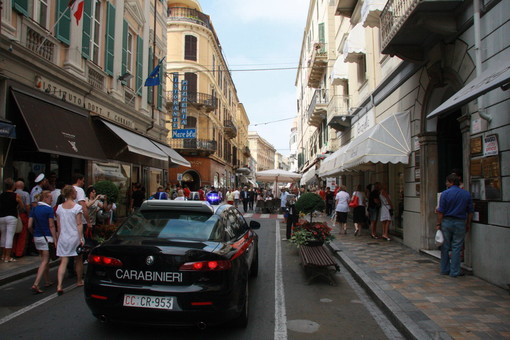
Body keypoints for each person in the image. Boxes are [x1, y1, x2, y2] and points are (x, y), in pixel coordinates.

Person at [436, 173, 474, 278]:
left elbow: (440, 211)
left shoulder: (445, 194)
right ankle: (455, 271)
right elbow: (470, 211)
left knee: (445, 246)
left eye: (447, 181)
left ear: (451, 182)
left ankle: (444, 269)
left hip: (447, 222)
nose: (446, 183)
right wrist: (468, 224)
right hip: (460, 222)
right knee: (457, 247)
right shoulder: (466, 194)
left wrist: (438, 223)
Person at [56, 185, 84, 295]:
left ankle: (59, 285)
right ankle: (79, 280)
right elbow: (79, 224)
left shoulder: (59, 208)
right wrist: (81, 237)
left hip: (63, 236)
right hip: (74, 236)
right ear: (72, 194)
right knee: (78, 259)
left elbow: (58, 225)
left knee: (64, 261)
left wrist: (58, 237)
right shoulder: (77, 208)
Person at [28, 190, 57, 294]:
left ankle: (47, 280)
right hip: (47, 237)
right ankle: (36, 283)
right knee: (45, 260)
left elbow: (29, 225)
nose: (52, 199)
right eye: (50, 197)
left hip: (37, 236)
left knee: (44, 260)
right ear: (44, 198)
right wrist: (55, 239)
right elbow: (51, 225)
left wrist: (34, 233)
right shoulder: (49, 209)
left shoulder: (34, 209)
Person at [0, 178, 24, 262]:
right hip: (11, 216)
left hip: (2, 217)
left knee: (3, 235)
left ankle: (2, 255)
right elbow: (21, 206)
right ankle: (7, 256)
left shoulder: (1, 195)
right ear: (13, 186)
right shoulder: (16, 195)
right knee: (9, 236)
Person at [13, 180, 31, 258]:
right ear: (23, 186)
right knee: (22, 234)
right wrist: (29, 215)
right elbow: (27, 206)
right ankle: (19, 252)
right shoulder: (25, 194)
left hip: (14, 215)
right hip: (22, 215)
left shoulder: (12, 194)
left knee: (13, 234)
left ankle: (12, 251)